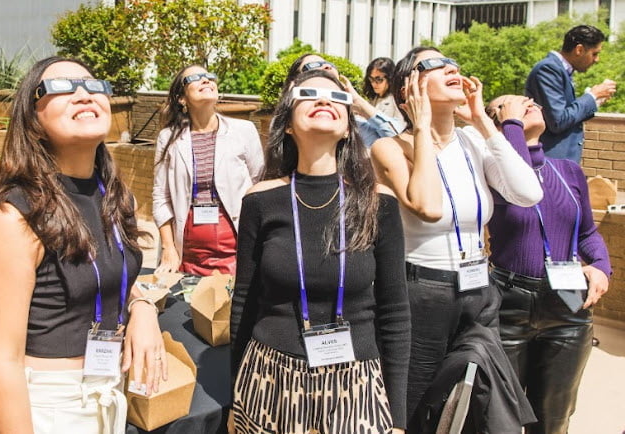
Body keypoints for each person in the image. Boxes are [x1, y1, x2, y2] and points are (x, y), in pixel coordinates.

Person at [0, 56, 165, 434]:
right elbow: (2, 360)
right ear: (32, 120)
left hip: (107, 392)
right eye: (62, 87)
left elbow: (110, 276)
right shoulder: (13, 218)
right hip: (49, 407)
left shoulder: (112, 197)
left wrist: (142, 308)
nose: (83, 94)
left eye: (94, 86)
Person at [230, 69, 410, 433]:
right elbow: (244, 303)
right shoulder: (260, 201)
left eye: (337, 97)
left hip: (356, 385)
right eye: (308, 94)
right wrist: (235, 395)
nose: (324, 99)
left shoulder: (379, 203)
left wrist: (398, 419)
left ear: (347, 128)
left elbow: (395, 311)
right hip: (270, 381)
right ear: (289, 125)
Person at [371, 46, 542, 426]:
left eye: (452, 63)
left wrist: (481, 120)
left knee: (478, 397)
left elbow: (527, 193)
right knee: (417, 399)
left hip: (480, 290)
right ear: (406, 91)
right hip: (422, 292)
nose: (450, 67)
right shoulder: (390, 146)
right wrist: (421, 127)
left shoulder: (473, 142)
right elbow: (426, 206)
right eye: (432, 65)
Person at [486, 94, 611, 434]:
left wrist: (600, 264)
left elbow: (586, 232)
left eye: (529, 101)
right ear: (497, 124)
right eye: (509, 105)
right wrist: (510, 128)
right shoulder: (492, 172)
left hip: (568, 303)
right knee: (502, 418)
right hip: (509, 301)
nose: (526, 103)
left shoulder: (569, 171)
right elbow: (521, 183)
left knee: (554, 418)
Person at [152, 64, 264, 276]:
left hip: (236, 242)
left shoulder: (243, 131)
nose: (205, 80)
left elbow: (258, 185)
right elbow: (160, 196)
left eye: (208, 76)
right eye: (194, 78)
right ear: (182, 98)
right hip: (188, 246)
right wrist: (168, 247)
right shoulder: (168, 138)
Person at [525, 24, 617, 163]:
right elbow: (558, 121)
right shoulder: (548, 69)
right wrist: (592, 96)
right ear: (579, 49)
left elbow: (565, 113)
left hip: (560, 162)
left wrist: (595, 101)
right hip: (552, 162)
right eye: (594, 53)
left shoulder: (562, 70)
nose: (596, 60)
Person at [285, 53, 402, 146]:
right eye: (314, 65)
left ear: (347, 130)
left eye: (336, 96)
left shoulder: (351, 122)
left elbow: (397, 140)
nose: (327, 66)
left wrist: (359, 102)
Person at [362, 57, 405, 131]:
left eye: (379, 80)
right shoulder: (372, 99)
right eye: (371, 79)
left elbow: (398, 129)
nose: (374, 84)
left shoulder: (397, 101)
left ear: (390, 78)